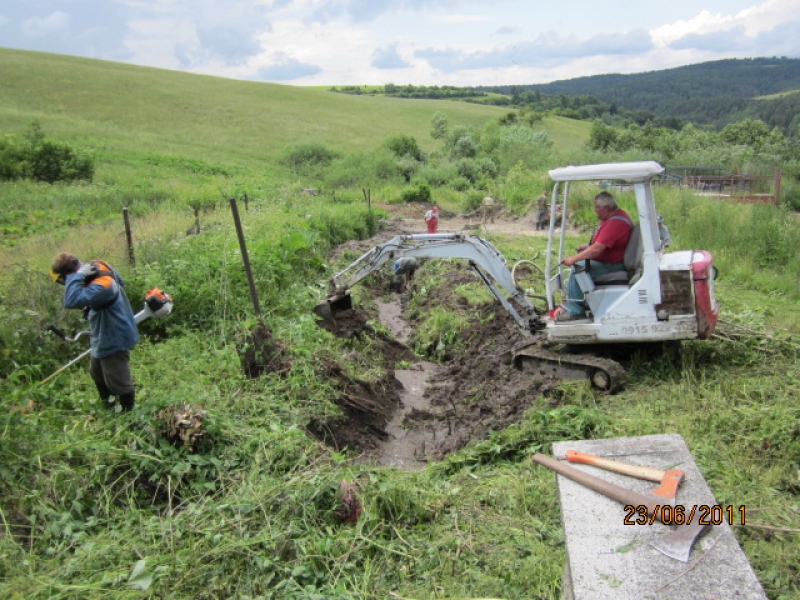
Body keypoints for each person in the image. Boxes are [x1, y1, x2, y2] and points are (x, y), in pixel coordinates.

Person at [50, 253, 140, 411]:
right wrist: (92, 303)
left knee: (118, 379)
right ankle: (110, 406)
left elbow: (71, 301)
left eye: (64, 280)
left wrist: (77, 278)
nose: (64, 284)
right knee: (96, 371)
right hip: (102, 331)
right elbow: (121, 281)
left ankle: (129, 414)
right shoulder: (98, 264)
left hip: (113, 333)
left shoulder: (102, 284)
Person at [553, 191, 633, 322]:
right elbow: (603, 244)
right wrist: (587, 247)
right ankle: (583, 302)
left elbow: (596, 249)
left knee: (578, 268)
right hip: (611, 260)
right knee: (580, 265)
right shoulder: (614, 218)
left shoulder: (615, 223)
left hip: (613, 265)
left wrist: (573, 259)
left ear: (605, 208)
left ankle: (575, 311)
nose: (595, 211)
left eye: (596, 208)